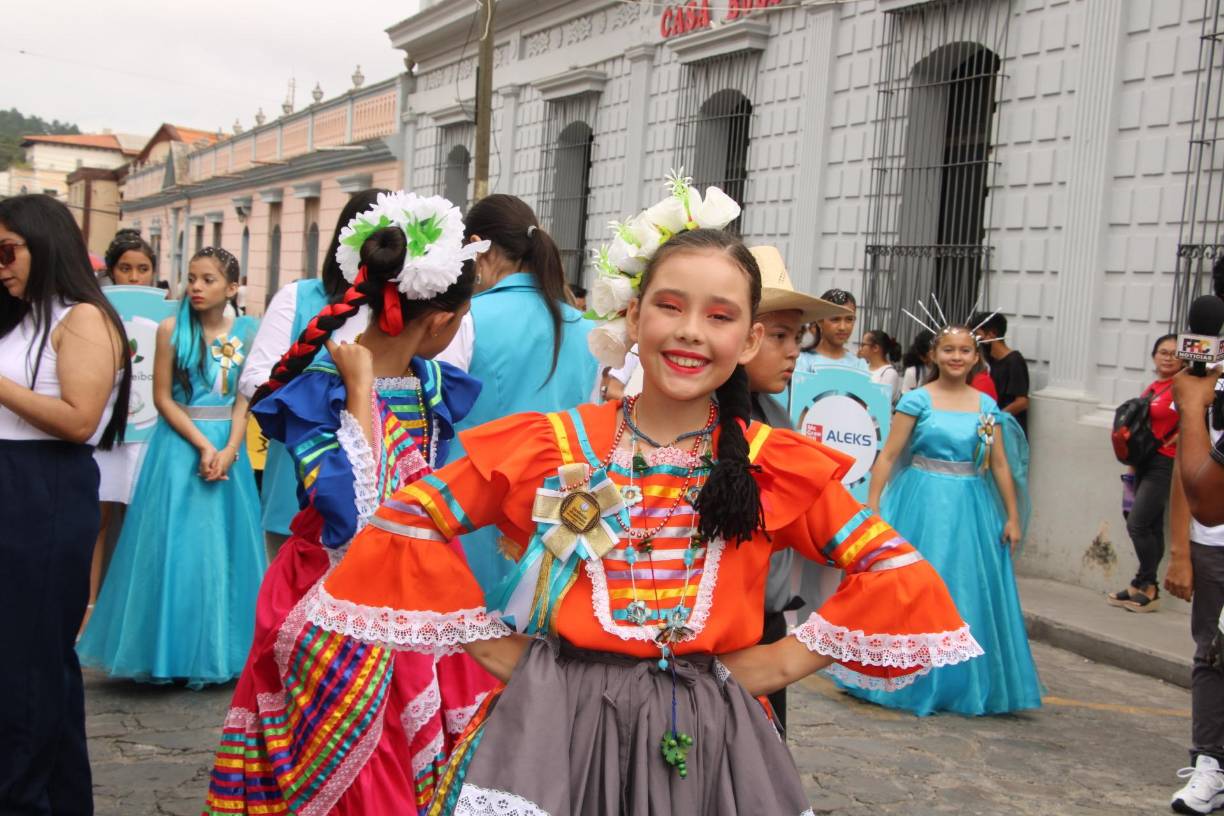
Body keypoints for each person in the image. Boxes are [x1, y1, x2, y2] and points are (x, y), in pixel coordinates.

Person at [301, 176, 980, 813]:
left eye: (719, 317)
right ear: (633, 316)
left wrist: (780, 661)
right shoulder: (555, 444)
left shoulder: (772, 465)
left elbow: (896, 572)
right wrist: (486, 642)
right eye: (670, 306)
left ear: (746, 341)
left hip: (710, 742)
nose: (689, 331)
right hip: (556, 732)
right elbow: (407, 520)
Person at [204, 192, 497, 815]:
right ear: (440, 318)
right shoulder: (322, 391)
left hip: (415, 592)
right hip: (333, 595)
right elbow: (356, 523)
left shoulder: (431, 384)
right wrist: (360, 391)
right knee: (354, 766)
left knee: (408, 759)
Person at [77, 246, 265, 687]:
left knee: (225, 550)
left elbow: (244, 398)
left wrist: (231, 447)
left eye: (208, 280)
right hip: (180, 446)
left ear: (232, 287)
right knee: (176, 550)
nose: (196, 288)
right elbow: (163, 397)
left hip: (228, 452)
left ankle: (222, 650)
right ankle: (165, 651)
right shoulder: (169, 330)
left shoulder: (249, 332)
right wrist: (203, 445)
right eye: (192, 278)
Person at [0, 194, 132, 816]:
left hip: (42, 487)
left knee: (28, 661)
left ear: (45, 243)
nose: (1, 266)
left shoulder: (81, 318)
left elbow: (80, 420)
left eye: (9, 251)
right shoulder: (18, 316)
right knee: (23, 660)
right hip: (14, 480)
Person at [843, 323, 1040, 716]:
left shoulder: (986, 406)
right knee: (914, 585)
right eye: (948, 350)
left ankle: (966, 680)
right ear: (933, 356)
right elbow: (887, 454)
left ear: (975, 357)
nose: (956, 357)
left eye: (964, 351)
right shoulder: (917, 400)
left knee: (968, 586)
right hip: (922, 500)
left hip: (972, 505)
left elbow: (999, 463)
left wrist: (1012, 515)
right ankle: (903, 673)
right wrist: (874, 502)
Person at [440, 194, 600, 595]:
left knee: (469, 639)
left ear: (480, 247)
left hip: (473, 505)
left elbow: (435, 415)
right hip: (559, 511)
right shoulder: (584, 329)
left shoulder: (467, 319)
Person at [239, 190, 382, 559]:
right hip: (296, 483)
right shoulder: (298, 297)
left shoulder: (405, 313)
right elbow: (254, 379)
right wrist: (338, 389)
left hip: (380, 497)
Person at [744, 244, 845, 731]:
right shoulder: (714, 423)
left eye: (796, 336)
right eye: (779, 336)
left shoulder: (774, 415)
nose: (792, 352)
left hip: (767, 623)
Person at [84, 230, 159, 633]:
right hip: (105, 429)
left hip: (149, 432)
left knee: (139, 523)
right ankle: (89, 606)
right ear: (112, 271)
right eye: (125, 268)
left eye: (142, 269)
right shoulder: (91, 312)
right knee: (96, 519)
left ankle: (131, 617)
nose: (134, 276)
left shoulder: (167, 317)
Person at [1106, 334, 1183, 612]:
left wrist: (1181, 436)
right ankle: (1140, 585)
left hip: (1165, 462)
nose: (1168, 357)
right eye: (1163, 352)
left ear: (1184, 357)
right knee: (1149, 525)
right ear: (1153, 356)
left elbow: (1199, 417)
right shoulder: (1154, 387)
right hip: (1143, 462)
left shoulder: (1182, 386)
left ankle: (1149, 585)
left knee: (1137, 524)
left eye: (1174, 353)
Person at [972, 311, 1030, 435]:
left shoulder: (1014, 361)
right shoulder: (986, 360)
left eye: (978, 335)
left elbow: (1022, 402)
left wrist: (994, 417)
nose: (976, 340)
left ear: (991, 334)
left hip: (1007, 429)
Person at [796, 288, 869, 373]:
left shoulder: (859, 366)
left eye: (849, 319)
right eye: (835, 319)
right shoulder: (802, 361)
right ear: (820, 321)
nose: (842, 327)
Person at [858, 327, 902, 402]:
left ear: (875, 348)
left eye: (863, 345)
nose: (860, 348)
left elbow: (880, 402)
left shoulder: (889, 373)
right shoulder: (862, 367)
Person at [901, 329, 934, 395]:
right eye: (933, 353)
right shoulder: (913, 372)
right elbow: (907, 400)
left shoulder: (946, 372)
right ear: (923, 358)